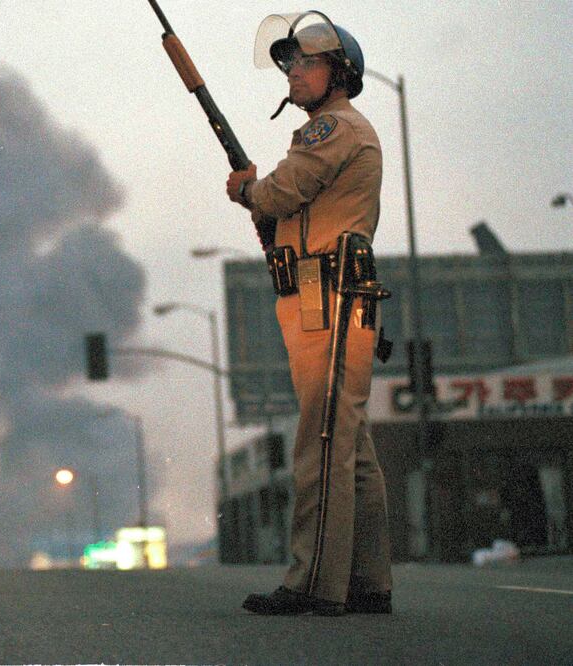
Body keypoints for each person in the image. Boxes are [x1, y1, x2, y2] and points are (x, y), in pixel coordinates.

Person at [225, 11, 393, 616]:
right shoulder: (336, 129)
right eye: (289, 62)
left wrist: (246, 188)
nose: (293, 71)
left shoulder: (332, 129)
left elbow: (279, 192)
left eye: (306, 61)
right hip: (324, 292)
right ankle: (370, 583)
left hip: (329, 297)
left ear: (338, 72)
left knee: (321, 441)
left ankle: (312, 583)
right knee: (351, 446)